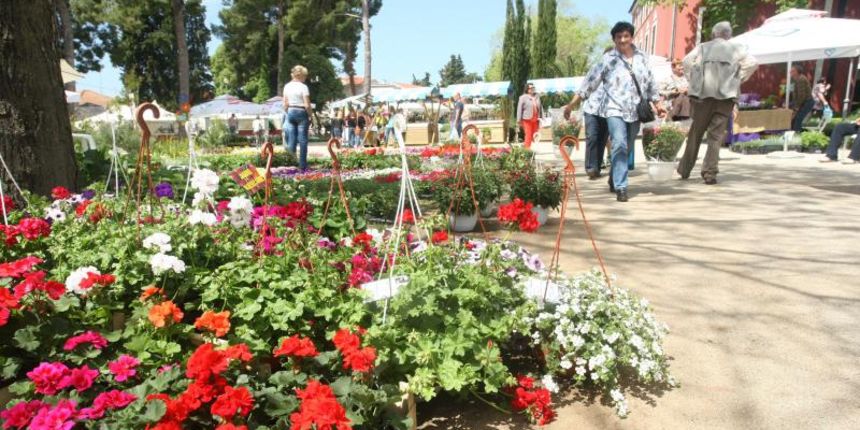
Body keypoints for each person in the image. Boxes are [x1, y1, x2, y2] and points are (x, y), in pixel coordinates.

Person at [565, 21, 664, 202]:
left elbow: (651, 84)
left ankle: (614, 176)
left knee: (626, 146)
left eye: (626, 36)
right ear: (614, 39)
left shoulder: (642, 58)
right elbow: (590, 82)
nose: (622, 40)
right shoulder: (608, 59)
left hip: (635, 111)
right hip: (614, 109)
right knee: (619, 143)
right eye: (618, 37)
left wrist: (658, 104)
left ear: (631, 37)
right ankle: (621, 186)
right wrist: (572, 104)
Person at [678, 21, 758, 185]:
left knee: (695, 134)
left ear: (714, 34)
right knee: (716, 137)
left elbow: (686, 62)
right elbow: (753, 63)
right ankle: (710, 173)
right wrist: (738, 79)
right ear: (728, 35)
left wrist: (692, 80)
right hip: (726, 97)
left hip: (702, 96)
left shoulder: (703, 47)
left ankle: (684, 169)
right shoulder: (736, 48)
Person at [282, 64, 312, 170]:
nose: (305, 78)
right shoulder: (303, 87)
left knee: (291, 139)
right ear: (301, 75)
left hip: (290, 111)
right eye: (305, 76)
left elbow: (284, 103)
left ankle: (291, 164)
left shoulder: (287, 86)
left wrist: (287, 113)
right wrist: (310, 115)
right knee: (303, 140)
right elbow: (307, 104)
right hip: (301, 112)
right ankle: (302, 165)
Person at [789, 65, 814, 133]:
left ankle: (796, 135)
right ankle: (795, 132)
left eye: (792, 71)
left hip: (807, 102)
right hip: (804, 102)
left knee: (798, 119)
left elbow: (801, 96)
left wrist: (797, 107)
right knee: (795, 119)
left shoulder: (801, 79)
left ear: (797, 72)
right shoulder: (798, 79)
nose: (790, 72)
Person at [517, 83, 543, 149]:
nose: (532, 89)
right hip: (526, 119)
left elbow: (540, 107)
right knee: (528, 134)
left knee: (534, 135)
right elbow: (519, 109)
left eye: (533, 87)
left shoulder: (537, 96)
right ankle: (527, 149)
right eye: (531, 88)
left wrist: (541, 117)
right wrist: (519, 120)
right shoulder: (522, 97)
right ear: (527, 89)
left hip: (535, 119)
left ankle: (529, 147)